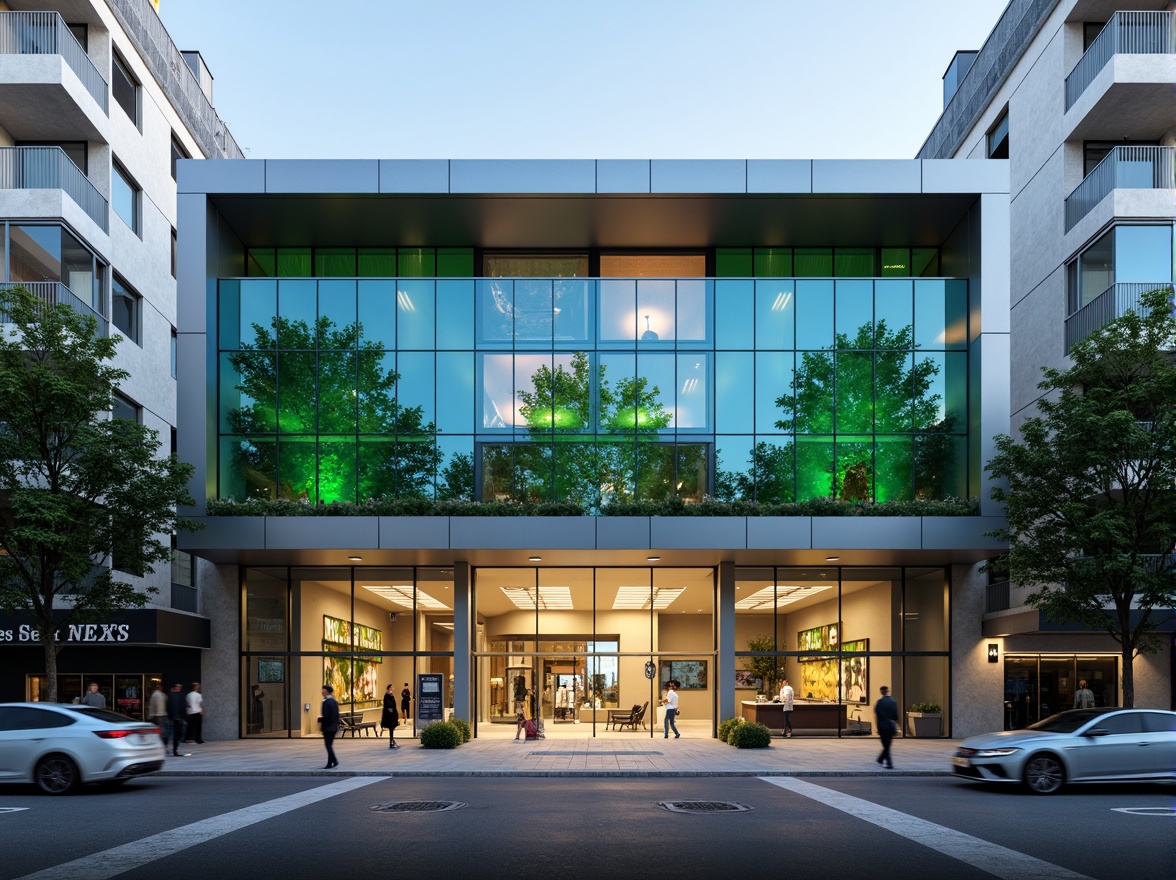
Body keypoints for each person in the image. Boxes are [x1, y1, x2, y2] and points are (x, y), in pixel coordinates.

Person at [874, 685, 899, 769]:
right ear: (887, 691)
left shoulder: (880, 702)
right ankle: (880, 759)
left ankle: (889, 763)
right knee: (887, 745)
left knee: (886, 746)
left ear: (881, 692)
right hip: (891, 726)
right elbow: (895, 716)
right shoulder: (893, 702)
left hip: (883, 726)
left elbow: (877, 715)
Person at [320, 685, 340, 769]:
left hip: (328, 727)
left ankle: (334, 761)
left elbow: (326, 715)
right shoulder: (334, 701)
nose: (322, 691)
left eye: (323, 690)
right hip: (333, 726)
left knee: (328, 745)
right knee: (329, 745)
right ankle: (330, 762)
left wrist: (323, 726)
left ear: (327, 691)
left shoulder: (327, 702)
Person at [166, 683, 187, 757]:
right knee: (174, 734)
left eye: (179, 687)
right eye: (177, 687)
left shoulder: (180, 696)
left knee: (177, 734)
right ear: (175, 688)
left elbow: (183, 706)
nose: (178, 689)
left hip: (178, 718)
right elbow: (169, 706)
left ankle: (175, 749)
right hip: (175, 718)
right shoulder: (172, 696)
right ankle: (174, 749)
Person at [382, 684, 400, 749]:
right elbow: (386, 704)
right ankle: (391, 742)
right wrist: (389, 709)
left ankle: (392, 741)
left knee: (392, 728)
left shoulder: (391, 695)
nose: (393, 688)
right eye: (392, 687)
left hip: (393, 713)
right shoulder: (387, 695)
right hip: (389, 715)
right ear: (389, 688)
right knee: (391, 728)